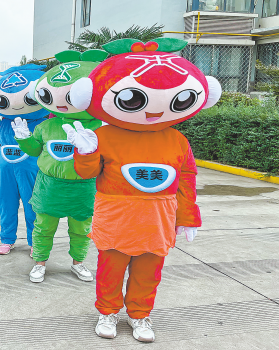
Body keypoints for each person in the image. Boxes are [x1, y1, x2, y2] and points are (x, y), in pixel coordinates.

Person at [65, 38, 222, 343]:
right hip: (116, 215)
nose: (152, 111)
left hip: (157, 218)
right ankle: (107, 311)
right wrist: (84, 153)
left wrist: (188, 216)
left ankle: (140, 315)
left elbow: (186, 178)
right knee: (110, 271)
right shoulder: (104, 135)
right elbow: (86, 173)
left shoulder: (177, 140)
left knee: (148, 273)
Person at [12, 50, 107, 283]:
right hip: (49, 186)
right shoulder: (47, 126)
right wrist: (24, 139)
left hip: (83, 187)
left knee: (81, 229)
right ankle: (40, 262)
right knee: (43, 227)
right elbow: (35, 150)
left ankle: (78, 262)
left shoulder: (102, 126)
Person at [0, 64, 47, 256]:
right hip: (4, 170)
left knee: (33, 207)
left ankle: (34, 240)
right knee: (6, 205)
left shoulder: (44, 123)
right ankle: (7, 239)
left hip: (32, 170)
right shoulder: (3, 124)